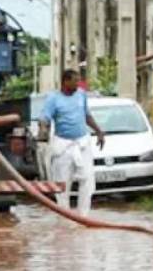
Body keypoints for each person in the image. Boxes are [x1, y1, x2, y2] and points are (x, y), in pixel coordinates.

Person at [40, 70, 106, 217]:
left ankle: (83, 216)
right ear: (65, 82)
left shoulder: (81, 95)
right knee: (62, 183)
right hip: (63, 146)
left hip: (82, 143)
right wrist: (43, 130)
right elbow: (45, 118)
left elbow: (87, 115)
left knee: (87, 180)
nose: (78, 84)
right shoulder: (53, 99)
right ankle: (65, 217)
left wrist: (99, 131)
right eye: (75, 81)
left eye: (78, 81)